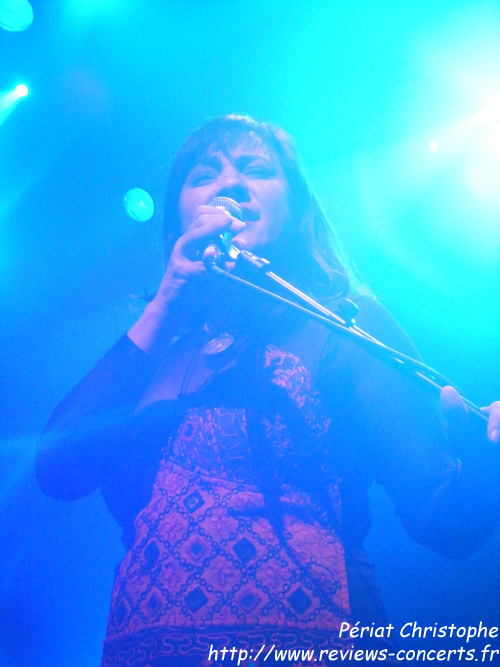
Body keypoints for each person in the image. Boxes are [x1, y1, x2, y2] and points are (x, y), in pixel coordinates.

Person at [36, 115, 500, 666]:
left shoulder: (342, 325)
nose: (231, 184)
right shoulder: (155, 347)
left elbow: (445, 527)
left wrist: (488, 464)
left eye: (256, 170)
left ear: (297, 211)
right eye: (205, 174)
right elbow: (57, 471)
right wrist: (168, 301)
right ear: (177, 219)